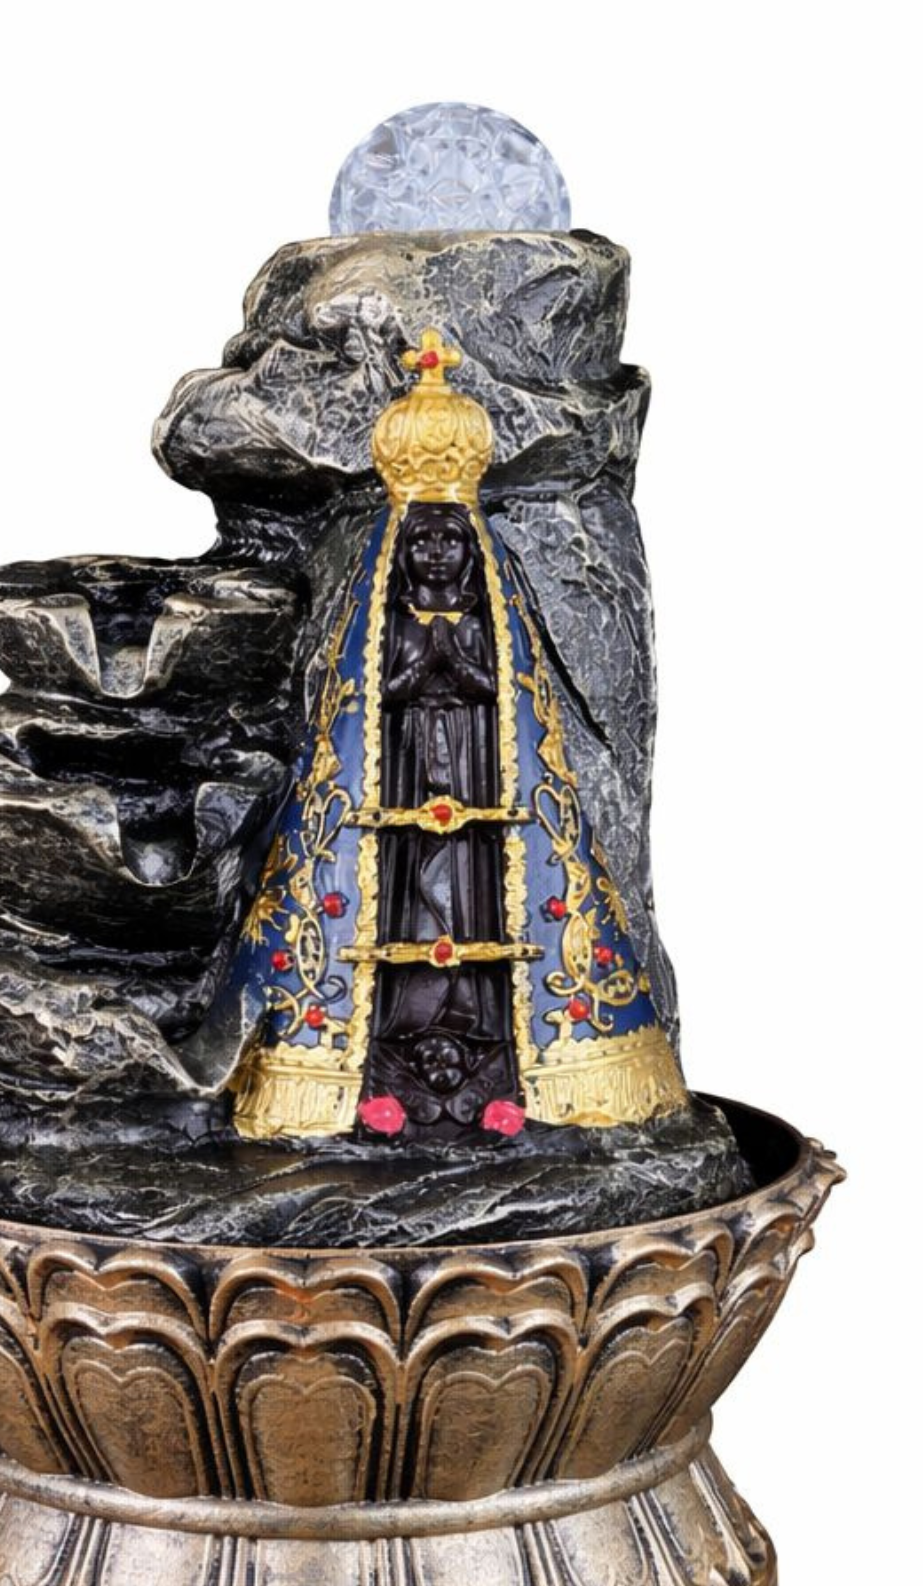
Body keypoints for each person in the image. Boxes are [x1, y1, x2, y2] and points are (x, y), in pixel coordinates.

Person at [208, 330, 688, 1144]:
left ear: (472, 553)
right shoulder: (388, 621)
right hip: (398, 771)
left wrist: (451, 659)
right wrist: (430, 661)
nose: (435, 551)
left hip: (476, 767)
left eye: (449, 541)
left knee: (471, 891)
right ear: (399, 558)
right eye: (423, 542)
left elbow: (496, 689)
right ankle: (389, 1029)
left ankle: (484, 1024)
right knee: (404, 892)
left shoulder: (485, 620)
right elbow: (382, 688)